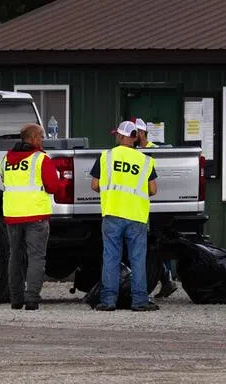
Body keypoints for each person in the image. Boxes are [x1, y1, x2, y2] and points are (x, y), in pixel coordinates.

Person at [89, 120, 159, 311]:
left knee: (111, 258)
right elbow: (153, 190)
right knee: (138, 259)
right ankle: (140, 301)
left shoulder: (106, 156)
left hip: (112, 212)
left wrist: (110, 191)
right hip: (137, 215)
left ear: (120, 136)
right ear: (135, 137)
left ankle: (108, 301)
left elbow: (94, 185)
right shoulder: (145, 160)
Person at [0, 123, 62, 310]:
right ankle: (32, 299)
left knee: (15, 256)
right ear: (33, 138)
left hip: (12, 214)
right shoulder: (41, 159)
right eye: (41, 136)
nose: (43, 140)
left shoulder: (6, 159)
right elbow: (53, 187)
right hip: (36, 215)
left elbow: (3, 178)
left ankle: (16, 299)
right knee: (36, 257)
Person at [132, 117, 178, 300]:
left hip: (156, 204)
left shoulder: (155, 152)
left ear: (142, 133)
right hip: (140, 204)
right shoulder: (132, 151)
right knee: (152, 243)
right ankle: (166, 280)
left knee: (155, 243)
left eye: (135, 132)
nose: (132, 136)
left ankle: (166, 278)